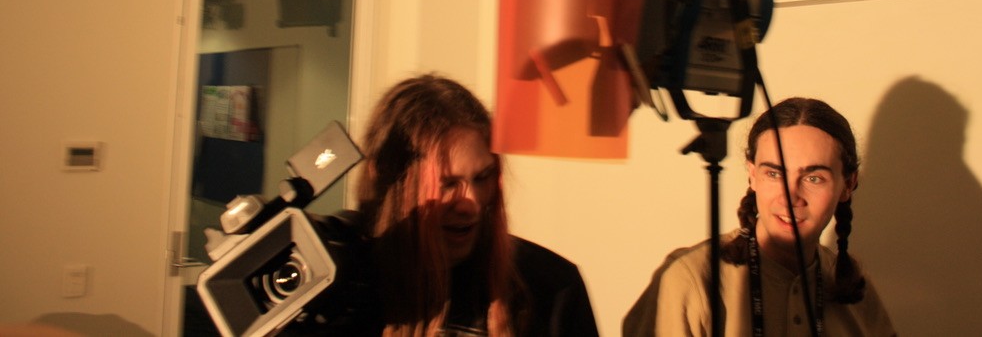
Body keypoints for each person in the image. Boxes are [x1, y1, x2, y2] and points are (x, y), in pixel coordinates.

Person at [320, 73, 600, 336]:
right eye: (449, 184)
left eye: (482, 178)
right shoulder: (340, 285)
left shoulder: (549, 285)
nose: (472, 203)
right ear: (389, 180)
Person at [623, 98, 896, 337]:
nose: (790, 197)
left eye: (814, 178)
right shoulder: (690, 278)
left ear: (847, 185)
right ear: (752, 175)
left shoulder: (852, 287)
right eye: (774, 174)